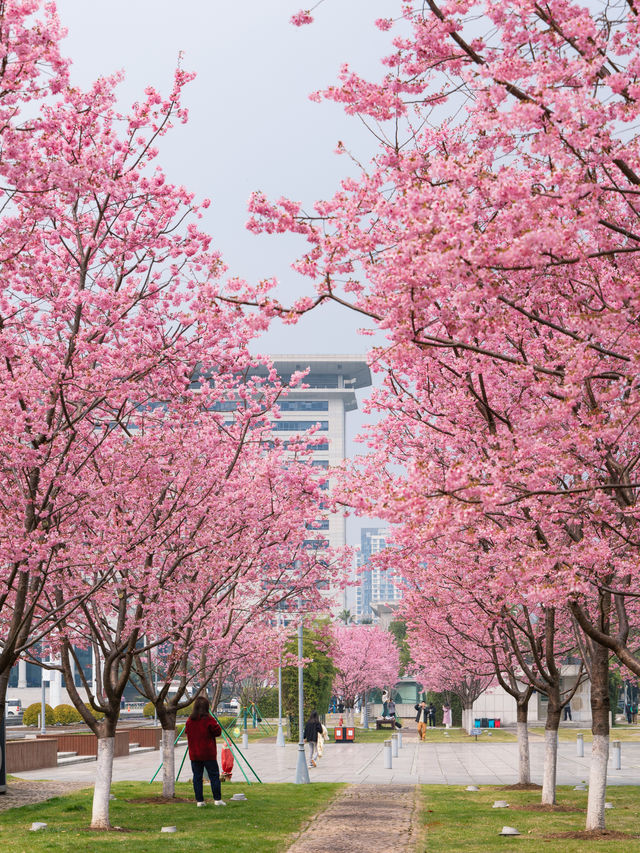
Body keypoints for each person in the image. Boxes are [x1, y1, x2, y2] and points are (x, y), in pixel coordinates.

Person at [185, 695, 225, 807]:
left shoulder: (190, 721)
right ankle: (217, 799)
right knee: (214, 776)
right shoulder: (209, 720)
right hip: (208, 754)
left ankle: (200, 801)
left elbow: (187, 732)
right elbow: (218, 732)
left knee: (197, 777)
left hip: (195, 754)